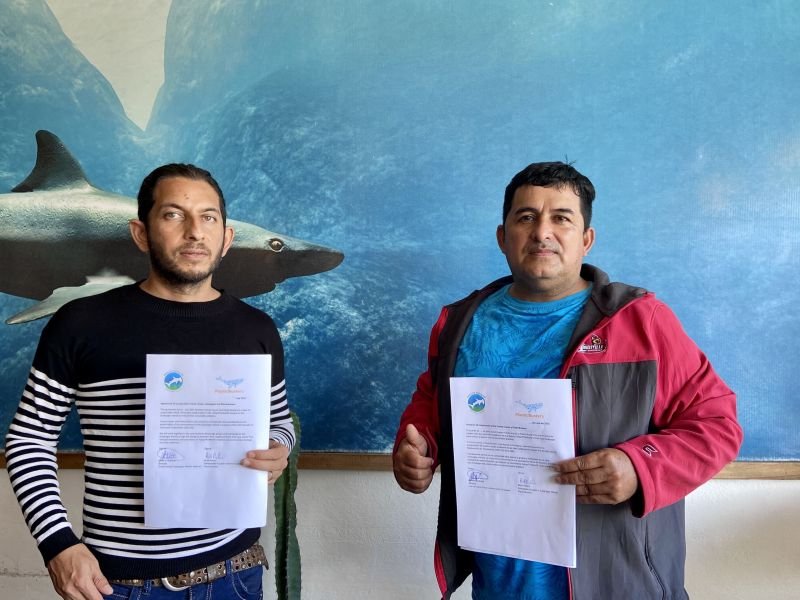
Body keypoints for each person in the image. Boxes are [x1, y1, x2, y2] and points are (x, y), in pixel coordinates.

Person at [393, 161, 743, 599]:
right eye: (526, 217)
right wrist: (418, 448)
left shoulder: (641, 322)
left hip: (619, 584)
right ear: (502, 237)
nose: (542, 232)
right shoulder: (459, 323)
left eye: (561, 218)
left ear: (586, 239)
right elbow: (431, 404)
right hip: (497, 585)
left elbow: (717, 425)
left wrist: (640, 466)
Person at [5, 164, 295, 600]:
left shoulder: (257, 329)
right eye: (173, 215)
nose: (195, 232)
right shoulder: (80, 323)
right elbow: (29, 439)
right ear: (140, 233)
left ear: (227, 238)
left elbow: (280, 421)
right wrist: (57, 544)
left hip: (236, 575)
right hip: (121, 584)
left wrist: (278, 447)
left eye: (209, 217)